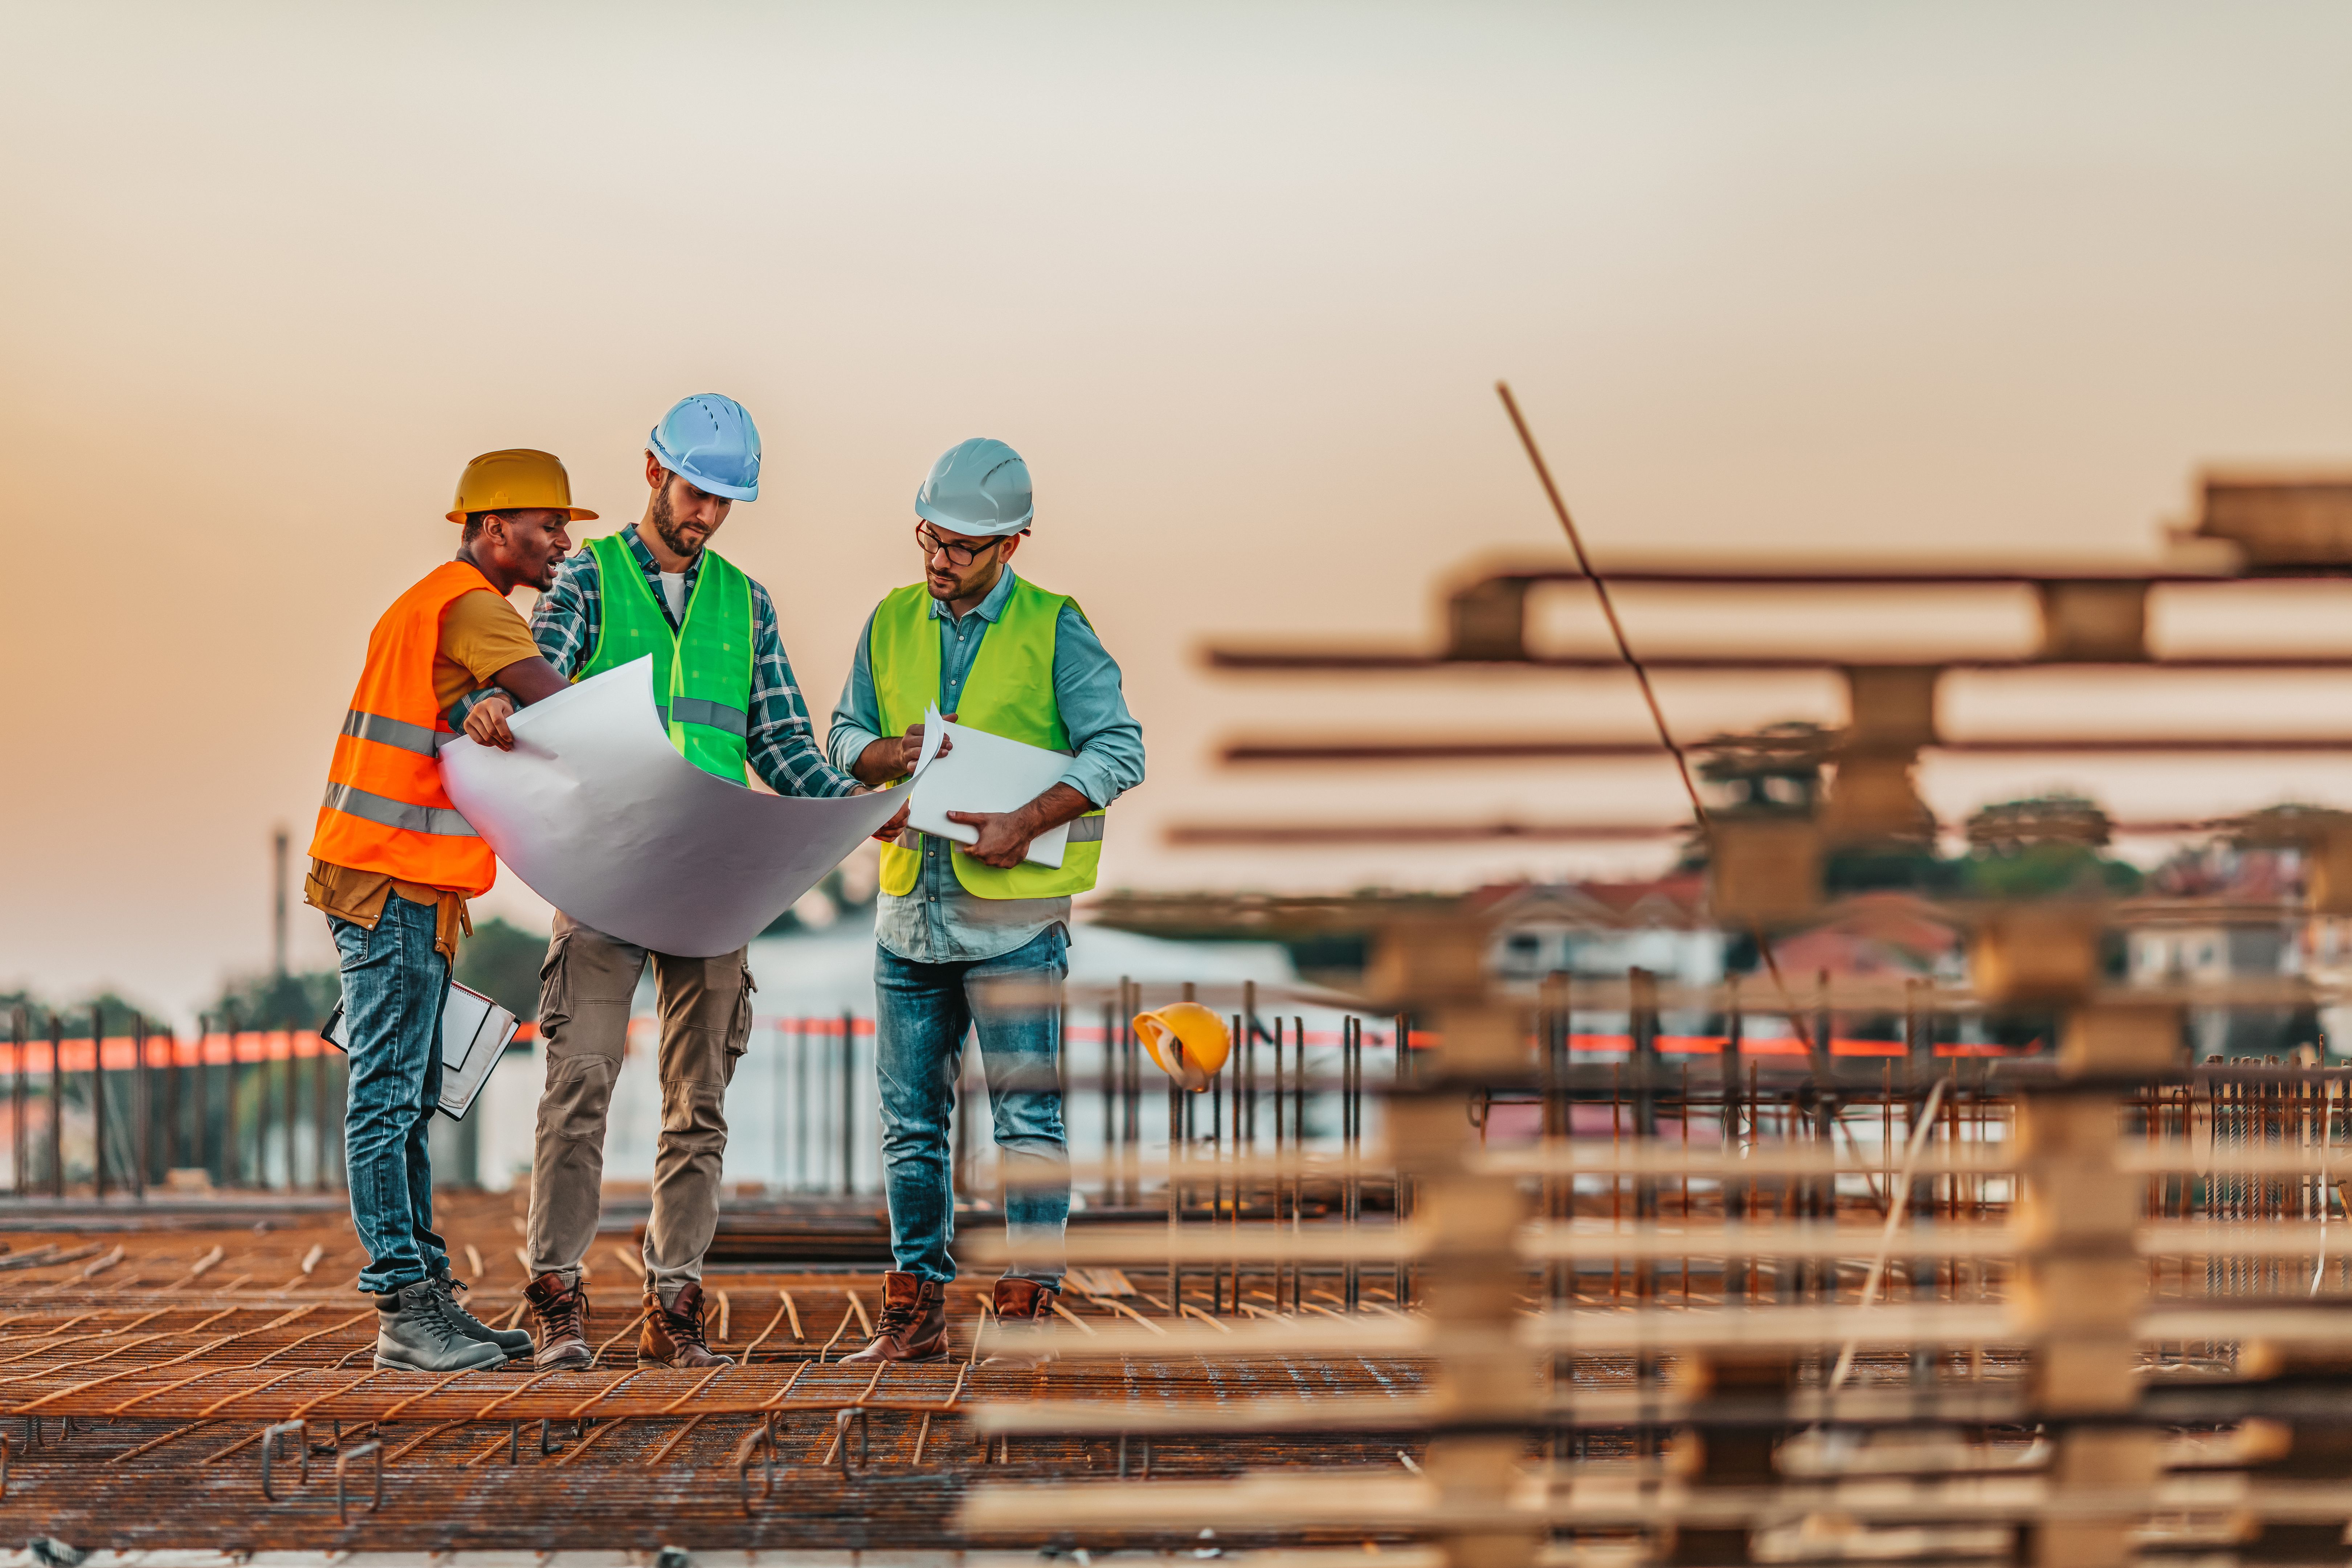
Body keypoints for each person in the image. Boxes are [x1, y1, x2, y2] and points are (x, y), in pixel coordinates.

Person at [466, 395, 897, 1371]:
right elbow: (542, 676)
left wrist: (850, 808)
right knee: (578, 1084)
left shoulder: (746, 604)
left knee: (698, 1101)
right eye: (695, 491)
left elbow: (783, 742)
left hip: (710, 880)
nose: (704, 514)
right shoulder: (585, 577)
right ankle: (557, 1294)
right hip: (606, 867)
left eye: (723, 502)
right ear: (654, 471)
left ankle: (676, 1303)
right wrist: (493, 703)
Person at [826, 437, 1145, 1365]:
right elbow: (843, 733)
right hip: (908, 916)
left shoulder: (1055, 626)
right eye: (930, 536)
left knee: (1026, 1122)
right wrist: (890, 766)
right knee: (910, 1127)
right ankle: (914, 1310)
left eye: (963, 545)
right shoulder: (890, 620)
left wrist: (1028, 818)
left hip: (1014, 923)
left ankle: (1023, 1314)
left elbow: (1118, 750)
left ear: (1013, 544)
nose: (939, 559)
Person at [308, 448, 593, 1371]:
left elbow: (457, 714)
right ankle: (404, 1310)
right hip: (389, 879)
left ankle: (427, 1301)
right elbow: (565, 715)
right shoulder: (473, 606)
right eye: (548, 526)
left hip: (395, 881)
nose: (560, 544)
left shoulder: (430, 603)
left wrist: (477, 705)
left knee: (406, 1095)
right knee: (388, 1096)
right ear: (493, 527)